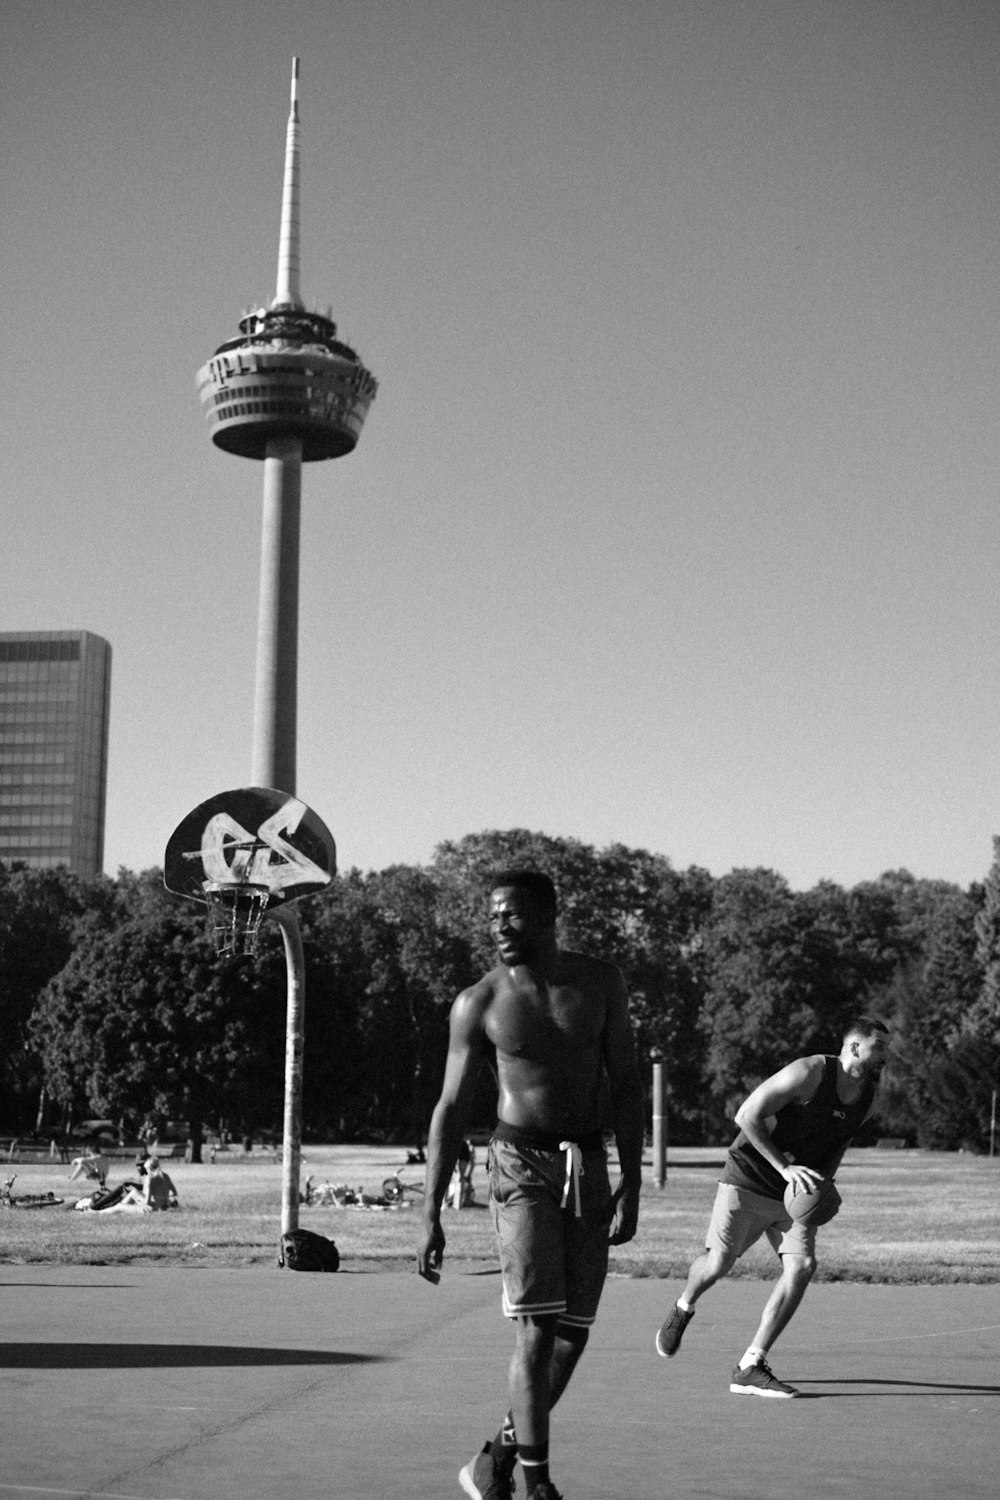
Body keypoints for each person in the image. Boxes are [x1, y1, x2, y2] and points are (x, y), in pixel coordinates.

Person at [417, 869, 644, 1500]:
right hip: (519, 1165)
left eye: (512, 914)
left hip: (587, 1166)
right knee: (536, 1329)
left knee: (572, 1334)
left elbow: (625, 1083)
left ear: (548, 917)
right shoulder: (479, 1002)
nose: (500, 927)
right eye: (492, 917)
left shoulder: (600, 982)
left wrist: (632, 1177)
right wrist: (430, 1211)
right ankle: (536, 1485)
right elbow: (449, 1109)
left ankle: (496, 1455)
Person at [654, 1016, 890, 1397]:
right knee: (718, 1264)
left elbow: (839, 1143)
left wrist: (823, 1185)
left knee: (803, 1266)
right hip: (750, 1176)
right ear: (855, 1047)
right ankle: (685, 1304)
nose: (886, 1057)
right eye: (880, 1047)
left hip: (796, 1190)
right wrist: (784, 1166)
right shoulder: (810, 1072)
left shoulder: (868, 1096)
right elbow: (746, 1115)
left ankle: (750, 1364)